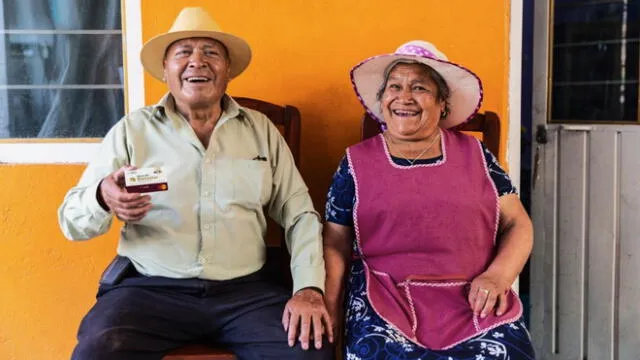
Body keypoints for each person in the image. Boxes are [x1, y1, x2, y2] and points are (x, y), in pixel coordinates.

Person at [58, 7, 333, 360]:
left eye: (211, 53)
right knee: (99, 349)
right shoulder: (132, 130)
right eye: (183, 52)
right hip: (151, 291)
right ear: (166, 70)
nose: (197, 62)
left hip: (246, 294)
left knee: (312, 350)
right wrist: (102, 197)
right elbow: (71, 221)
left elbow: (300, 215)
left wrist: (309, 288)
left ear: (227, 70)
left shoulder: (262, 130)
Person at [323, 40, 535, 359]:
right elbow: (335, 241)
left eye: (419, 87)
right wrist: (330, 307)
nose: (404, 97)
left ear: (442, 104)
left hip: (472, 300)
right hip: (384, 299)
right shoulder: (354, 163)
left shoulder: (477, 155)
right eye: (394, 86)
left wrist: (499, 276)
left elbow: (518, 223)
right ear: (382, 101)